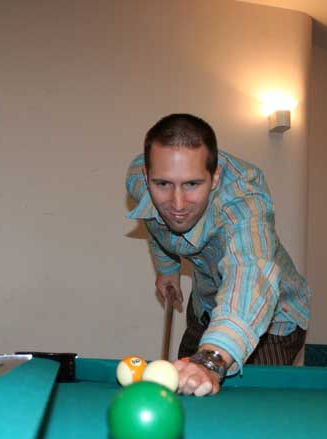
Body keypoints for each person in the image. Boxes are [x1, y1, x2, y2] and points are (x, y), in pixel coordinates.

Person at [126, 113, 310, 396]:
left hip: (273, 317)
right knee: (185, 387)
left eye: (192, 184)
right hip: (205, 303)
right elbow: (154, 218)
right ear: (146, 177)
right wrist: (167, 269)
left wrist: (211, 359)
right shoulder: (138, 181)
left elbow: (249, 271)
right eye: (163, 184)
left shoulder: (242, 200)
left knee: (245, 407)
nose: (177, 204)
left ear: (215, 178)